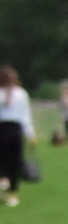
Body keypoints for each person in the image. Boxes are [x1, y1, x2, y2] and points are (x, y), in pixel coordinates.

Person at [0, 67, 30, 207]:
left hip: (1, 129)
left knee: (2, 158)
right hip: (16, 130)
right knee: (15, 162)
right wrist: (30, 133)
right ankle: (12, 195)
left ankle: (3, 179)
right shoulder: (21, 94)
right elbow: (26, 115)